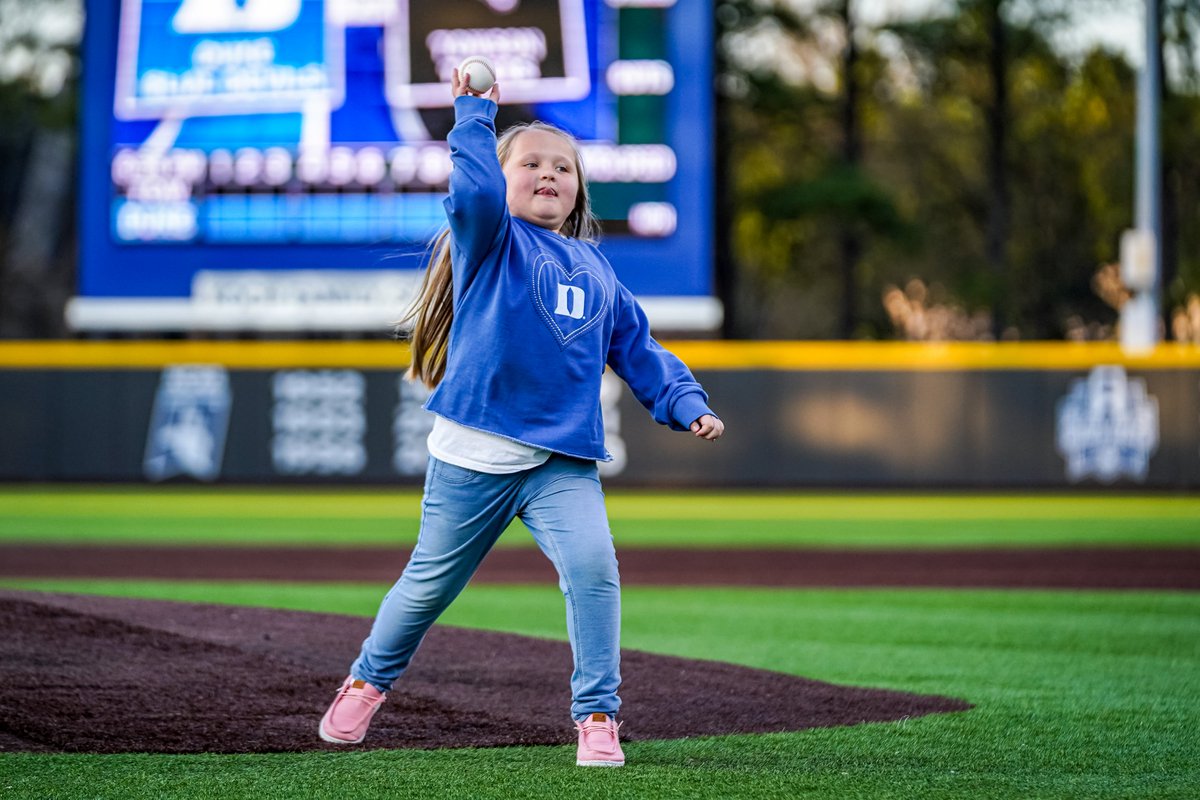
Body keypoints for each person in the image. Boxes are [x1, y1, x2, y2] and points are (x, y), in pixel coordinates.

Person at [318, 67, 724, 768]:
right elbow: (472, 189)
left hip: (561, 462)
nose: (548, 174)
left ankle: (597, 717)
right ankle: (366, 681)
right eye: (531, 163)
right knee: (425, 589)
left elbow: (641, 350)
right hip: (473, 453)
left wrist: (685, 403)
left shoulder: (600, 274)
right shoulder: (492, 241)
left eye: (563, 167)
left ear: (579, 190)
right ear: (503, 182)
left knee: (596, 570)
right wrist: (475, 114)